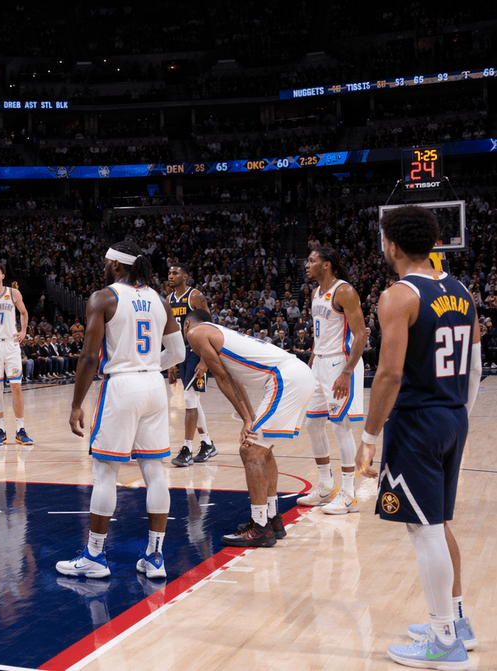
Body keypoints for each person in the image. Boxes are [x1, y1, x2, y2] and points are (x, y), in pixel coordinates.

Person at [355, 205, 480, 668]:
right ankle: (456, 620)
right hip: (452, 416)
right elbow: (472, 368)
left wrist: (369, 434)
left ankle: (443, 639)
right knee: (437, 523)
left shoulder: (399, 296)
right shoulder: (462, 289)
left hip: (418, 422)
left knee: (423, 529)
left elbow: (387, 375)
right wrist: (457, 416)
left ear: (390, 244)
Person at [55, 241, 185, 581]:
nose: (103, 265)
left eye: (106, 261)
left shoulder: (104, 297)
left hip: (122, 385)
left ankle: (95, 556)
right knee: (154, 470)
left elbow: (87, 357)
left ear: (116, 265)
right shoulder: (159, 299)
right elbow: (179, 352)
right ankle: (155, 557)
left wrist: (75, 405)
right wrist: (154, 365)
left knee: (105, 472)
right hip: (155, 386)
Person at [182, 308, 315, 547]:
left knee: (250, 449)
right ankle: (272, 519)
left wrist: (246, 420)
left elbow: (222, 378)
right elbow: (234, 380)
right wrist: (250, 416)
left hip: (285, 379)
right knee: (263, 450)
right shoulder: (217, 335)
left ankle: (260, 526)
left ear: (187, 325)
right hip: (296, 375)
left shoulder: (195, 332)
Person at [297, 247, 367, 514]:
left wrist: (346, 372)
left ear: (326, 265)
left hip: (341, 362)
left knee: (340, 426)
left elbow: (360, 336)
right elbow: (321, 332)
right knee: (313, 424)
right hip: (320, 362)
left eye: (312, 260)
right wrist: (312, 359)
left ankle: (349, 493)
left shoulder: (345, 291)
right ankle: (327, 485)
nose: (307, 264)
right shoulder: (316, 293)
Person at [165, 262, 217, 467]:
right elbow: (170, 333)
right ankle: (207, 444)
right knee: (193, 399)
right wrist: (171, 363)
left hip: (196, 351)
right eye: (169, 272)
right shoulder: (169, 299)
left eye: (175, 273)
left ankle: (187, 448)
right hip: (179, 353)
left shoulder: (194, 296)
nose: (170, 276)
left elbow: (210, 326)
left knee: (188, 398)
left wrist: (206, 359)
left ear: (185, 277)